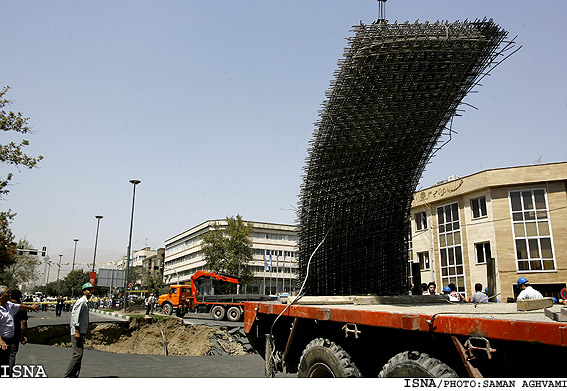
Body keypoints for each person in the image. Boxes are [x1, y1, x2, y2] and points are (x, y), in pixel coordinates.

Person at [0, 286, 39, 377]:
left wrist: (31, 307)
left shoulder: (8, 305)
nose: (9, 295)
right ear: (1, 296)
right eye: (7, 293)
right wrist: (1, 340)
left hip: (9, 339)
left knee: (6, 363)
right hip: (2, 341)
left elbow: (19, 307)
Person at [64, 282, 93, 378]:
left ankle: (74, 375)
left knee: (79, 354)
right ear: (84, 291)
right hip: (78, 331)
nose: (90, 291)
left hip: (81, 331)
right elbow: (75, 316)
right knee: (77, 354)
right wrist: (76, 331)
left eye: (91, 289)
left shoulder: (85, 302)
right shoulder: (82, 301)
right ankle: (68, 375)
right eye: (88, 290)